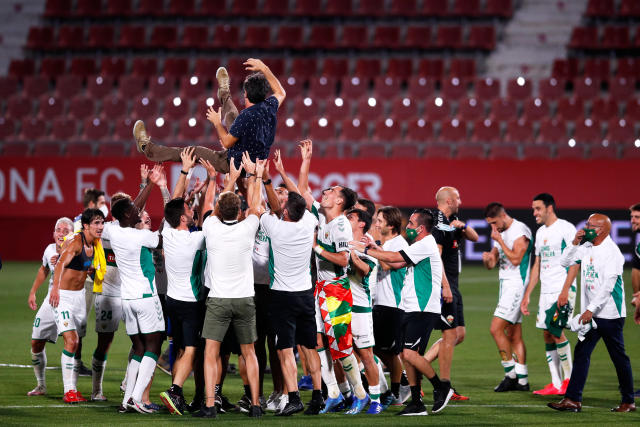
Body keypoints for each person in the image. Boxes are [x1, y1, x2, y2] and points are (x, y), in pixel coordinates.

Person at [351, 209, 454, 416]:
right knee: (408, 358)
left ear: (421, 228)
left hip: (423, 308)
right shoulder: (419, 245)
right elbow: (397, 263)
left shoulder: (426, 244)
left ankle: (441, 387)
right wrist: (374, 247)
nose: (408, 227)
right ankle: (416, 402)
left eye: (412, 224)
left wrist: (367, 250)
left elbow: (394, 256)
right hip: (410, 307)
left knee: (408, 354)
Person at [295, 140, 370, 415]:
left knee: (340, 346)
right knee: (315, 342)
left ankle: (361, 395)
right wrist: (306, 160)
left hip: (336, 290)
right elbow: (303, 192)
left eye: (332, 191)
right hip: (319, 288)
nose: (325, 192)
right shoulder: (323, 217)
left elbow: (343, 260)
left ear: (340, 201)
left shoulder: (340, 226)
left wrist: (315, 247)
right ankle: (335, 394)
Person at [194, 155, 266, 419]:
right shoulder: (249, 227)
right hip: (245, 299)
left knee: (211, 355)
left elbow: (211, 209)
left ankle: (210, 405)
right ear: (239, 212)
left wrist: (227, 180)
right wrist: (256, 176)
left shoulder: (210, 227)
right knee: (250, 353)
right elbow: (256, 206)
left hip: (218, 299)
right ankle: (256, 405)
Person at [133, 58, 285, 174]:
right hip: (252, 153)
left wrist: (217, 122)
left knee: (192, 151)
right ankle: (224, 91)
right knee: (232, 114)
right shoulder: (269, 106)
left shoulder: (245, 117)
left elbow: (226, 143)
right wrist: (264, 68)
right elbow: (281, 92)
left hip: (236, 163)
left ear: (245, 94)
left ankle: (147, 148)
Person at [548, 214, 635, 413]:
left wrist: (590, 310)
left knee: (618, 357)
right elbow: (565, 262)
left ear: (601, 230)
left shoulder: (612, 252)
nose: (585, 227)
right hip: (592, 315)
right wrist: (574, 242)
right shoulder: (586, 246)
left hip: (610, 314)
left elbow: (607, 287)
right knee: (582, 353)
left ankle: (628, 401)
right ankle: (572, 400)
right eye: (586, 224)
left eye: (590, 225)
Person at [260, 175, 323, 416]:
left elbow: (268, 205)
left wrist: (265, 179)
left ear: (286, 212)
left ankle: (294, 397)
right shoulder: (309, 222)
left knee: (285, 349)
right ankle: (317, 397)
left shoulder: (274, 227)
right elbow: (301, 199)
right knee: (309, 347)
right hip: (305, 294)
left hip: (281, 296)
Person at [103, 198, 164, 414]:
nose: (138, 212)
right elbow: (163, 238)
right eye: (134, 211)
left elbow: (130, 210)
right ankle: (137, 398)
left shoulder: (113, 231)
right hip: (146, 297)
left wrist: (145, 185)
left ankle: (127, 399)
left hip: (127, 299)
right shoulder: (142, 237)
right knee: (154, 346)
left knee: (138, 348)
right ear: (128, 216)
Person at [424, 186, 479, 401]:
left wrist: (462, 226)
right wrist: (444, 286)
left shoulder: (453, 220)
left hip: (453, 286)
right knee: (449, 335)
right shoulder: (437, 224)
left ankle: (420, 369)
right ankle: (444, 386)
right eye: (458, 197)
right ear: (448, 201)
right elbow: (435, 258)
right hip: (444, 286)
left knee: (459, 335)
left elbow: (474, 237)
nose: (461, 201)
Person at [520, 193, 576, 396]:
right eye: (533, 209)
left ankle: (570, 381)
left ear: (549, 208)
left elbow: (575, 261)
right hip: (546, 290)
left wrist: (566, 290)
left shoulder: (566, 228)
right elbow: (537, 265)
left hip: (562, 288)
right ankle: (555, 382)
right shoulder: (541, 232)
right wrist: (528, 295)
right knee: (546, 332)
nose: (534, 212)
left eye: (538, 209)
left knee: (555, 330)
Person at [158, 193, 208, 416]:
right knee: (192, 349)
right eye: (188, 209)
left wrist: (185, 173)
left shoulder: (167, 234)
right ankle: (176, 390)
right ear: (182, 218)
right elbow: (211, 217)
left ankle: (177, 398)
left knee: (178, 348)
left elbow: (171, 206)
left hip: (172, 301)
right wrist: (215, 181)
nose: (192, 210)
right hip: (191, 303)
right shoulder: (195, 239)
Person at [49, 208, 105, 403]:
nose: (100, 227)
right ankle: (69, 390)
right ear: (86, 226)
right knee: (71, 341)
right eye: (96, 223)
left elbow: (80, 267)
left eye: (102, 223)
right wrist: (55, 289)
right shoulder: (75, 242)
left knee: (77, 343)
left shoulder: (94, 245)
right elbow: (61, 264)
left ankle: (73, 389)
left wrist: (89, 270)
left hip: (79, 297)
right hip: (63, 297)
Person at [482, 202, 532, 392]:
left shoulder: (520, 230)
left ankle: (510, 374)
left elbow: (517, 259)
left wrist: (500, 241)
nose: (493, 228)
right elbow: (493, 262)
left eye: (494, 222)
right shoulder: (499, 232)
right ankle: (523, 380)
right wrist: (488, 259)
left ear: (503, 215)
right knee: (514, 334)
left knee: (495, 329)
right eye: (490, 224)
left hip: (517, 285)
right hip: (506, 285)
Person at [345, 208, 388, 414]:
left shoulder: (366, 246)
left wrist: (352, 254)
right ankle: (359, 395)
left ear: (361, 223)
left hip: (360, 308)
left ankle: (377, 399)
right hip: (341, 306)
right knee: (348, 354)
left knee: (366, 354)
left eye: (350, 217)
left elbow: (365, 271)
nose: (346, 220)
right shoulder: (341, 241)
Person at [27, 217, 74, 396]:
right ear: (53, 233)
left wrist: (64, 261)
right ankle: (41, 385)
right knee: (35, 342)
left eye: (65, 231)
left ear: (72, 234)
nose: (61, 234)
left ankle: (71, 388)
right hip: (50, 301)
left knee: (72, 343)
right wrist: (33, 292)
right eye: (58, 230)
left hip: (68, 301)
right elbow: (44, 269)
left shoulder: (76, 249)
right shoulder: (49, 250)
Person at [369, 206, 409, 405]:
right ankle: (400, 382)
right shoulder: (386, 243)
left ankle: (396, 391)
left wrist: (371, 249)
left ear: (391, 225)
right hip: (381, 303)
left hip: (393, 304)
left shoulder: (399, 243)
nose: (376, 224)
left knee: (387, 351)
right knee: (375, 348)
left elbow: (387, 264)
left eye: (380, 221)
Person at [73, 188, 108, 377]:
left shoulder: (80, 220)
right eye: (102, 202)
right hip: (84, 279)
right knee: (80, 321)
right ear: (93, 204)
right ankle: (75, 362)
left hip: (89, 279)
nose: (105, 205)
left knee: (81, 322)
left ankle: (75, 361)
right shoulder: (81, 224)